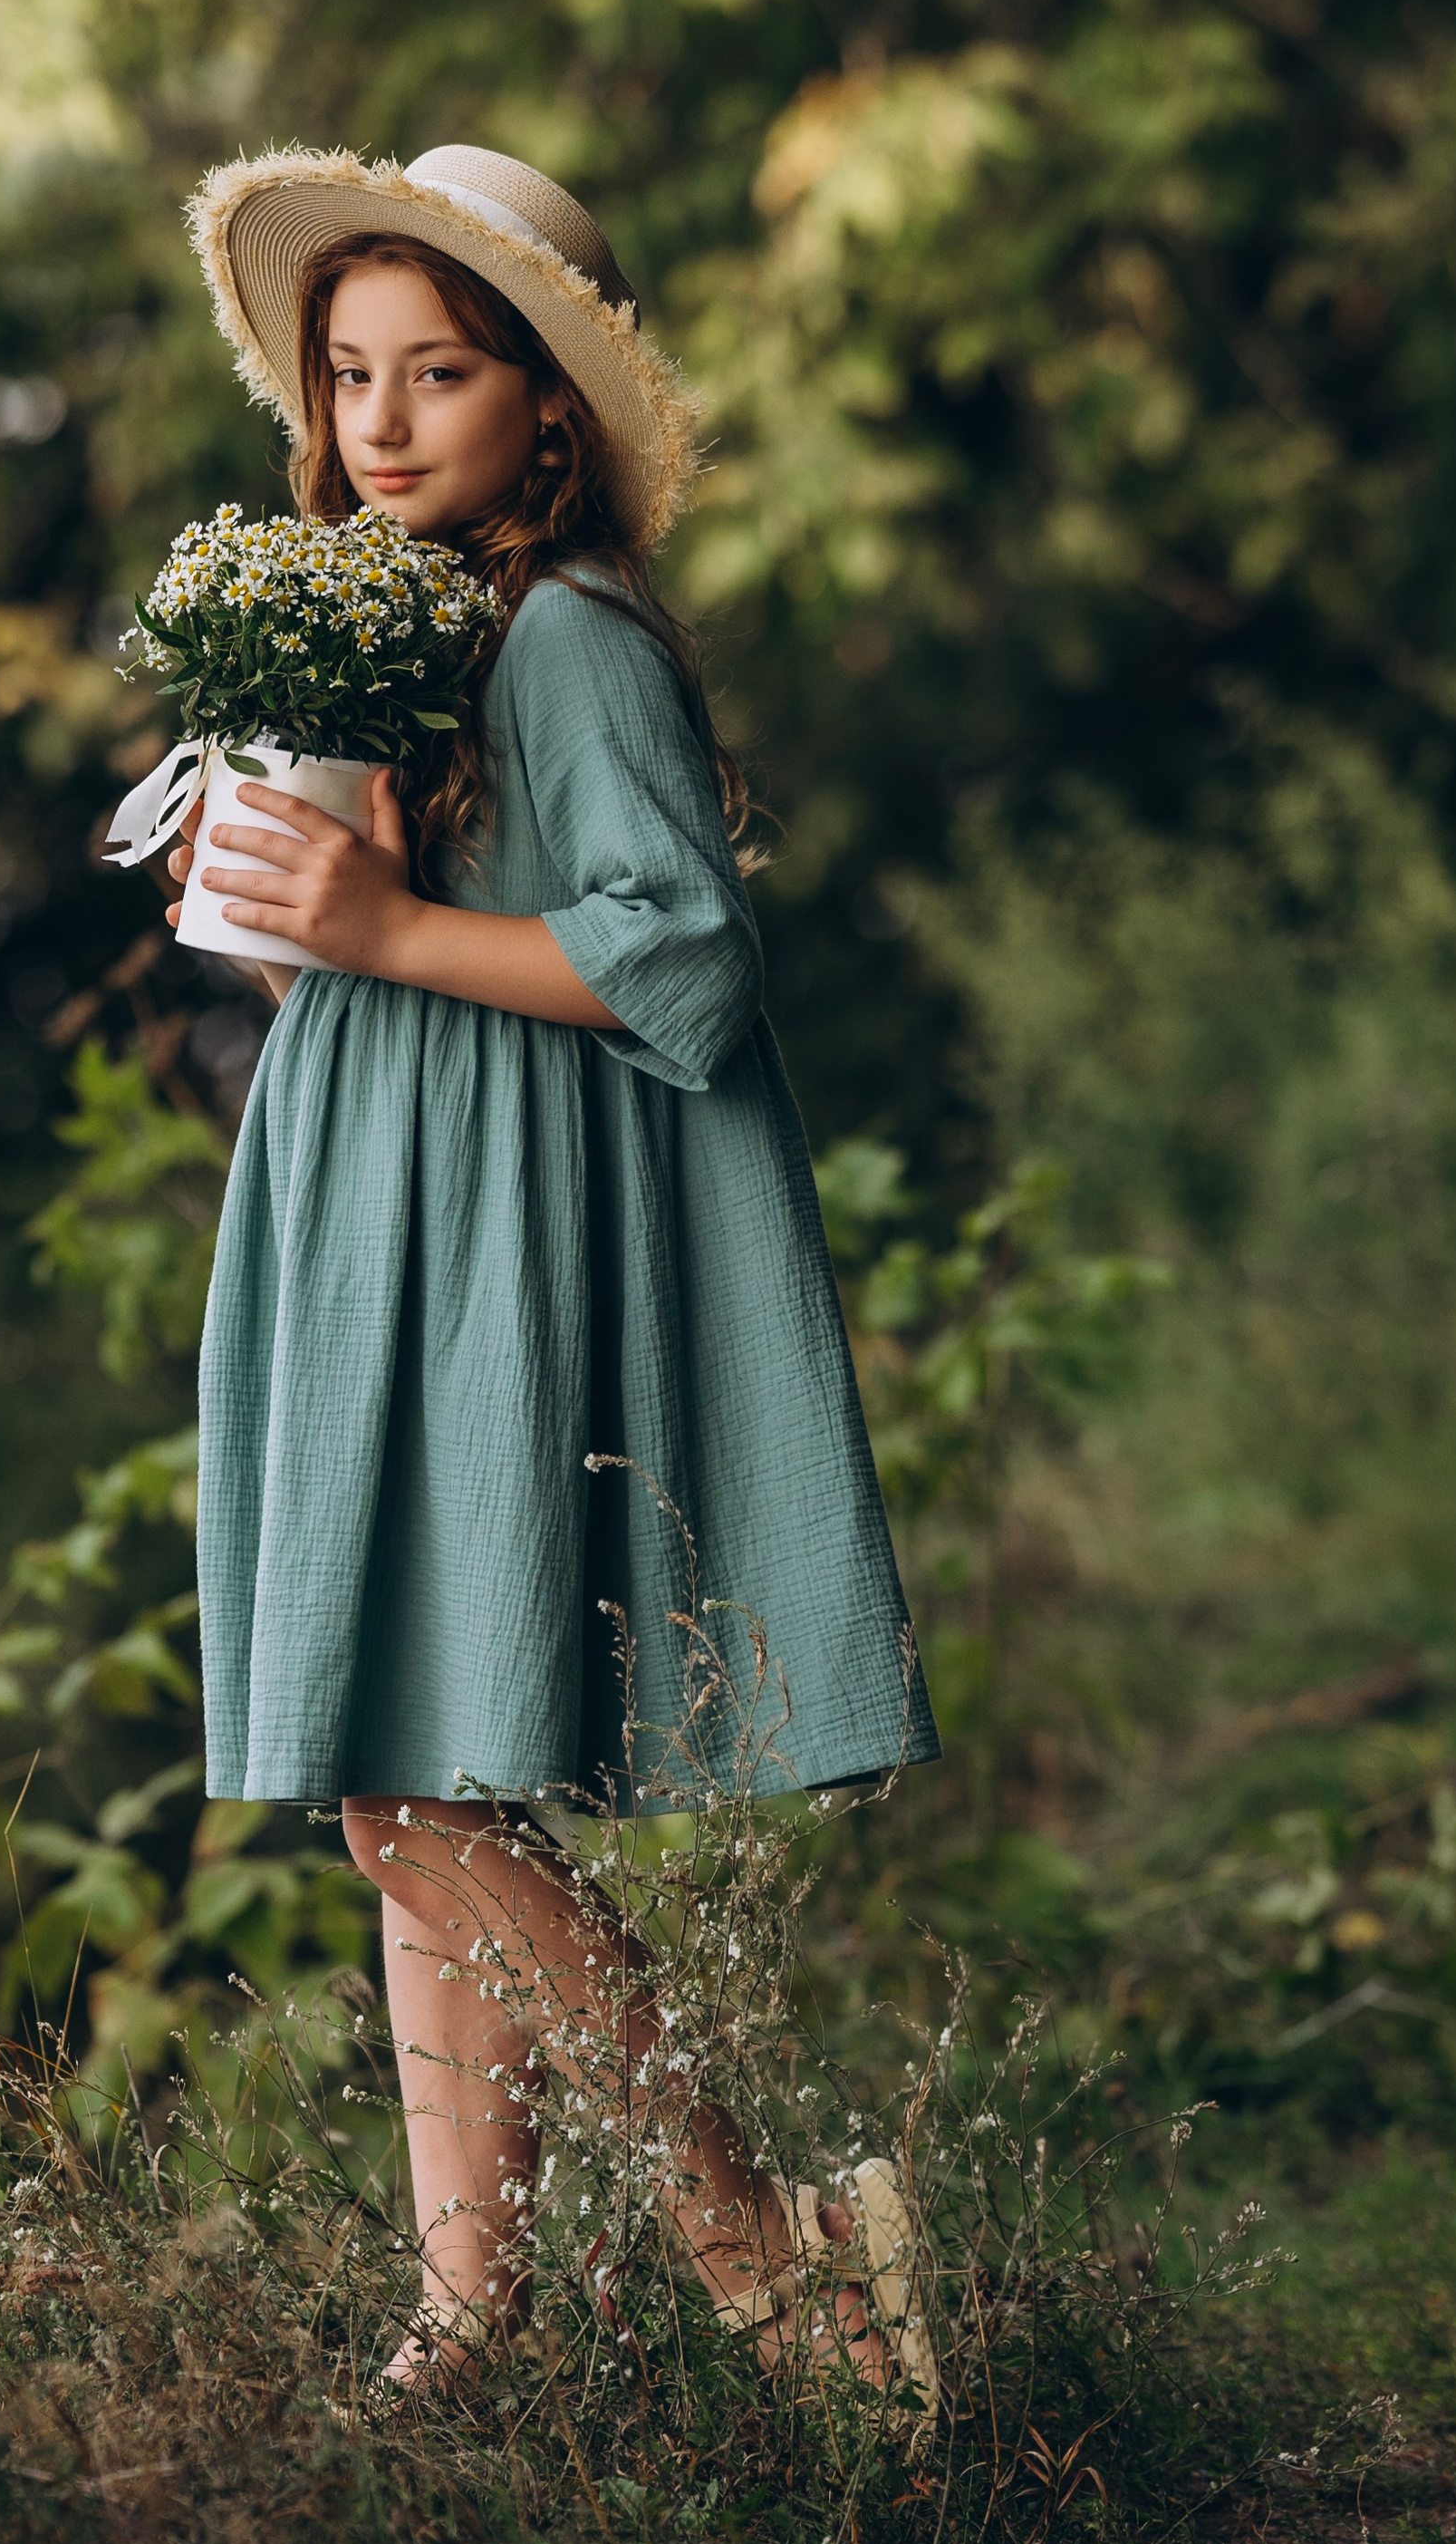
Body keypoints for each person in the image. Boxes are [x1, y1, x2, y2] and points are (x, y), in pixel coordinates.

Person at [159, 143, 939, 2395]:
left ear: (548, 413)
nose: (385, 418)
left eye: (444, 371)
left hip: (505, 1209)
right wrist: (306, 902)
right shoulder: (383, 632)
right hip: (384, 1185)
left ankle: (763, 2237)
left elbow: (683, 957)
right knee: (412, 1771)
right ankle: (465, 2322)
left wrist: (391, 924)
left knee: (410, 1794)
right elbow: (366, 962)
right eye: (349, 373)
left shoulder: (565, 631)